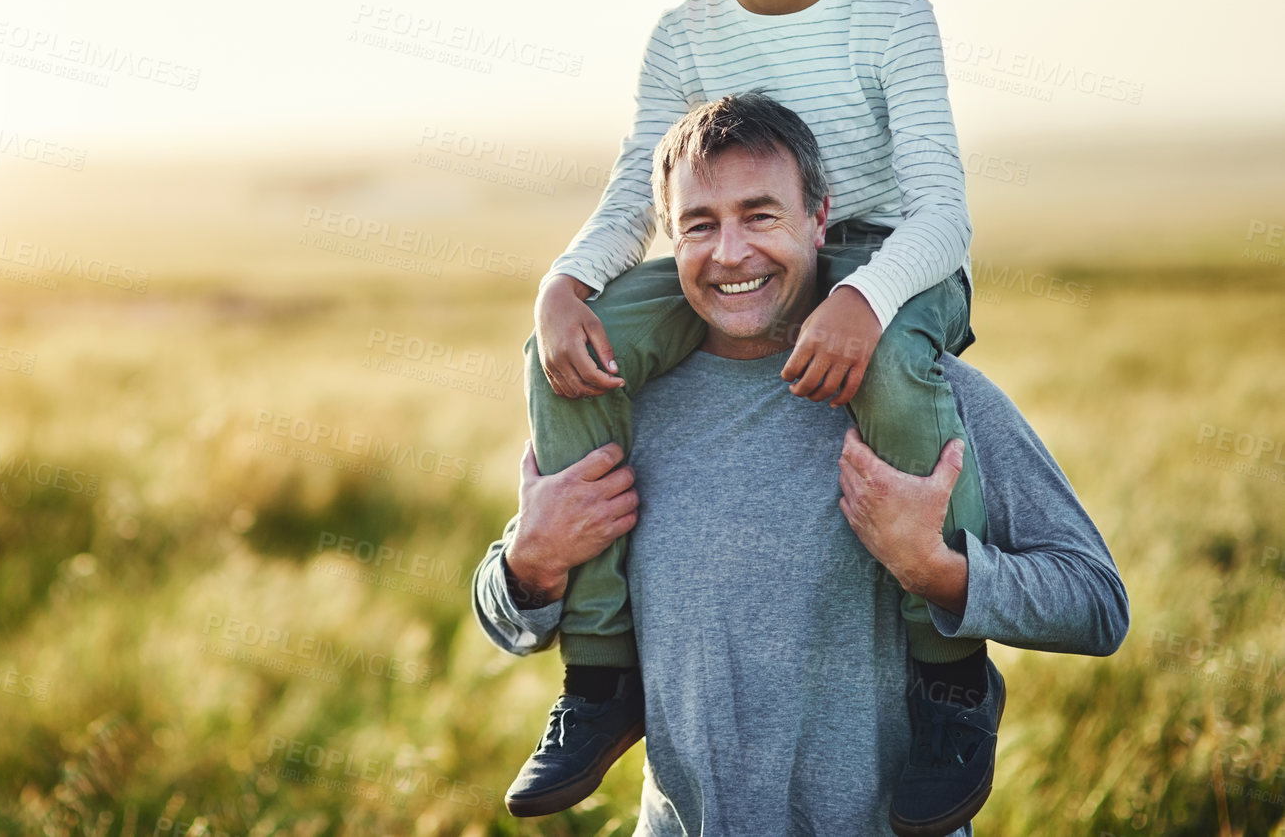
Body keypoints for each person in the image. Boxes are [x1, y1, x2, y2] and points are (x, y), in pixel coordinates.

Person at [505, 0, 993, 835]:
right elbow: (640, 191)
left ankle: (950, 675)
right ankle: (597, 672)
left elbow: (944, 209)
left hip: (889, 258)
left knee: (896, 383)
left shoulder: (890, 16)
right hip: (735, 255)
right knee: (563, 357)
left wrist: (865, 299)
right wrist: (563, 284)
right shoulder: (682, 38)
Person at [476, 95, 1129, 835]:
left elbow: (1097, 605)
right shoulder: (626, 402)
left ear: (818, 219)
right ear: (668, 237)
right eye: (699, 224)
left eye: (760, 215)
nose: (729, 252)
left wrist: (936, 569)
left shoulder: (929, 394)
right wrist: (530, 561)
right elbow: (506, 619)